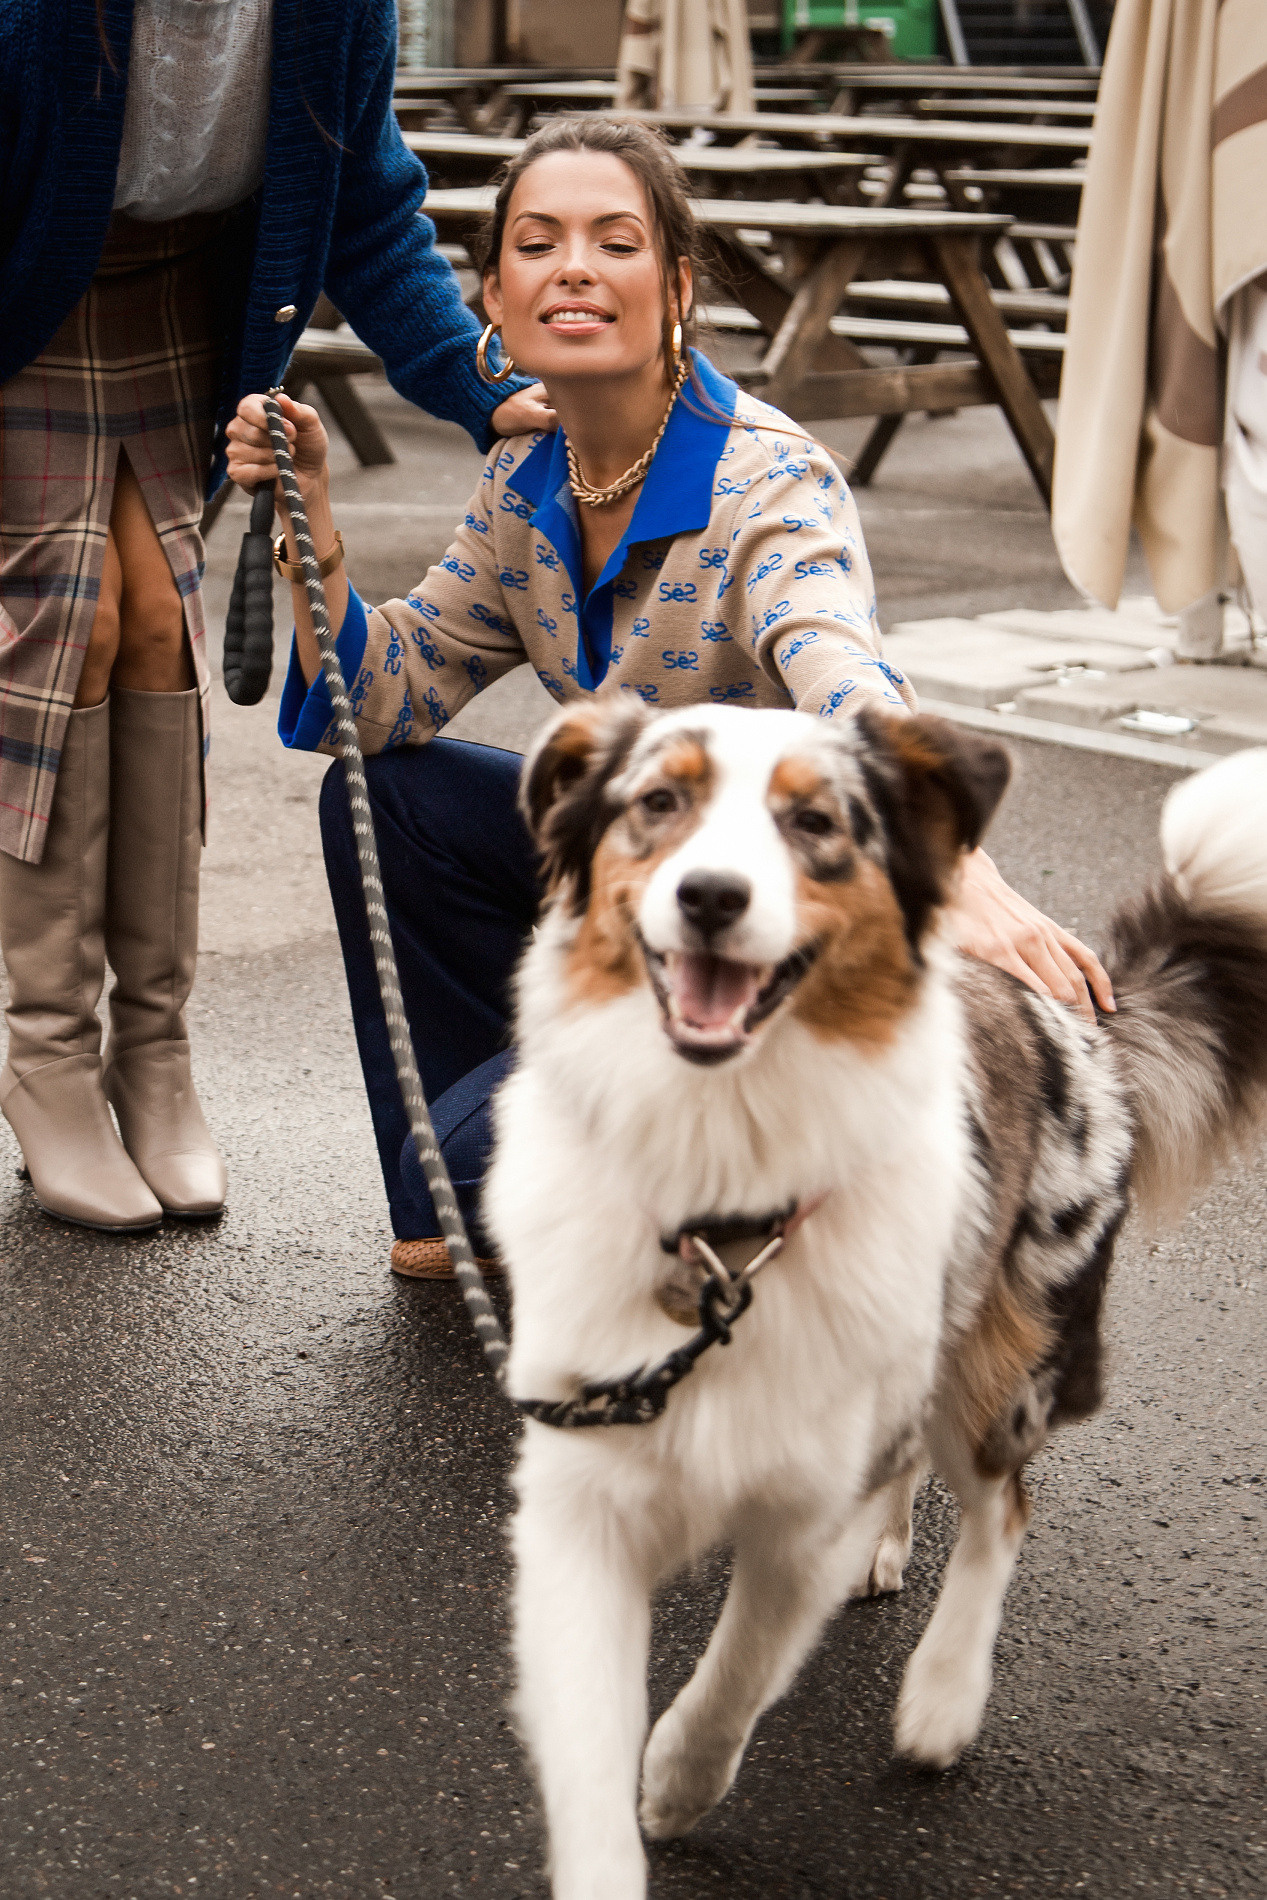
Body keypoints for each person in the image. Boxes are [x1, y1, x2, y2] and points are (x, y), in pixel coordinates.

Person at [228, 118, 1114, 1277]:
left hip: (759, 925)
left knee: (470, 1162)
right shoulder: (525, 473)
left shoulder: (767, 479)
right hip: (642, 889)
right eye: (537, 244)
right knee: (387, 795)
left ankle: (621, 1176)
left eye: (616, 241)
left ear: (679, 288)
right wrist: (313, 520)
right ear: (492, 299)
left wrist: (955, 864)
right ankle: (490, 1187)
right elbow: (381, 701)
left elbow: (838, 664)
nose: (574, 268)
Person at [0, 0, 550, 1234]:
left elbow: (368, 207)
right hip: (19, 307)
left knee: (160, 622)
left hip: (179, 311)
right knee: (75, 624)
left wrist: (475, 381)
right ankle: (47, 1059)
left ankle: (153, 1052)